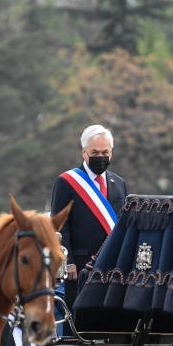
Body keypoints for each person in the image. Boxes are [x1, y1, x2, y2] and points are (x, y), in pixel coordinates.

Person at [49, 125, 128, 307]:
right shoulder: (66, 182)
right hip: (80, 266)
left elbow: (123, 223)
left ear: (111, 153)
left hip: (112, 265)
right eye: (95, 152)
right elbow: (60, 225)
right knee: (79, 320)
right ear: (84, 153)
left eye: (104, 152)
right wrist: (67, 261)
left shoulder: (119, 183)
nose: (100, 157)